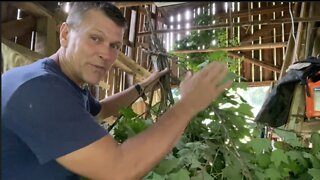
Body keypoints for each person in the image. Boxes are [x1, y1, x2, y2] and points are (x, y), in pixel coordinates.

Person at [1, 2, 232, 180]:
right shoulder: (39, 90)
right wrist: (188, 105)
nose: (106, 54)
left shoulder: (64, 83)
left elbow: (102, 109)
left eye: (114, 46)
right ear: (64, 35)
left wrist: (145, 84)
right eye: (95, 38)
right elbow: (119, 169)